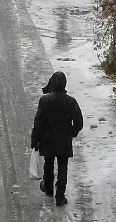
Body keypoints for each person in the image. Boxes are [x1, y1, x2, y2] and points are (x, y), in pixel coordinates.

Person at [30, 71, 83, 206]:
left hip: (47, 139)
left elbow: (38, 122)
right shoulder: (71, 102)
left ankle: (48, 188)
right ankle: (60, 196)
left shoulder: (45, 100)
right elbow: (79, 122)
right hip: (64, 140)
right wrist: (72, 132)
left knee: (48, 164)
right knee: (63, 167)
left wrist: (35, 139)